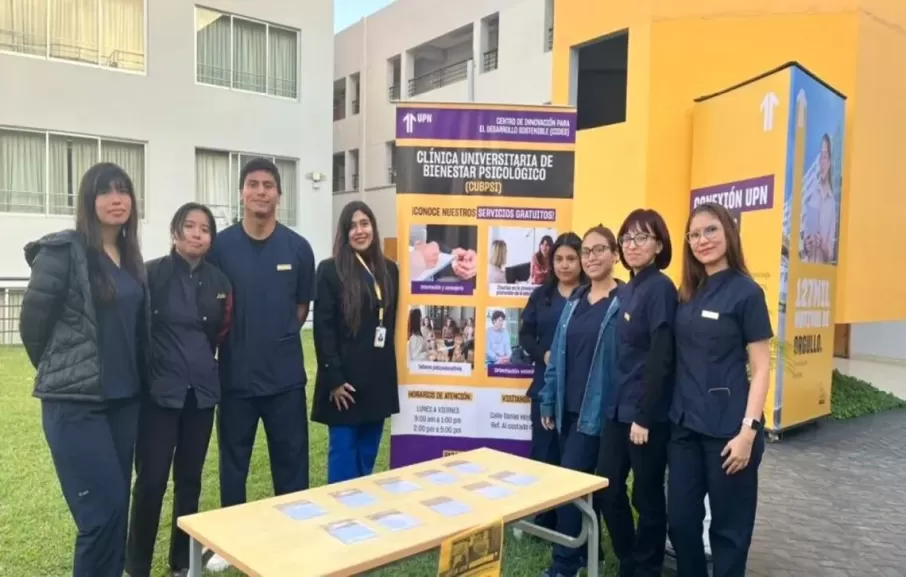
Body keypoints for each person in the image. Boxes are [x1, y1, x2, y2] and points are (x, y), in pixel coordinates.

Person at [19, 162, 150, 577]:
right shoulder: (63, 251)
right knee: (100, 517)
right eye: (106, 191)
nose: (117, 199)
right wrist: (68, 372)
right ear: (88, 201)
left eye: (123, 190)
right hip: (75, 405)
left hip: (124, 402)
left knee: (117, 513)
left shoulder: (131, 258)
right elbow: (32, 328)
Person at [204, 157, 315, 572]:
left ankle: (295, 537)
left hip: (285, 379)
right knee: (233, 465)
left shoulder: (298, 248)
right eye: (253, 184)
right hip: (235, 378)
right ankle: (230, 544)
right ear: (241, 193)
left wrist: (276, 336)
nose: (261, 191)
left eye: (268, 185)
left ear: (279, 194)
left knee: (292, 464)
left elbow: (301, 309)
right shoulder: (220, 247)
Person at [126, 203, 232, 577]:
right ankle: (137, 565)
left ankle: (182, 562)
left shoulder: (220, 283)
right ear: (175, 232)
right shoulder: (149, 274)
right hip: (160, 394)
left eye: (205, 229)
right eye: (190, 226)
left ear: (211, 239)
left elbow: (219, 333)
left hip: (201, 395)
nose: (197, 234)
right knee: (151, 480)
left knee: (189, 481)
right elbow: (138, 332)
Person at [667, 202, 772, 577]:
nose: (702, 240)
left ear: (729, 232)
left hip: (729, 432)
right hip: (684, 427)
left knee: (729, 533)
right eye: (694, 234)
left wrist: (748, 432)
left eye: (710, 230)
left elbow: (761, 367)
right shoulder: (688, 292)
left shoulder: (747, 293)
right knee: (680, 522)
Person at [539, 226, 623, 577]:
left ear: (615, 254)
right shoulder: (575, 301)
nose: (591, 257)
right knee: (585, 488)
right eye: (586, 251)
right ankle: (594, 555)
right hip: (567, 411)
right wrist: (548, 400)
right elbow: (557, 355)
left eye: (599, 250)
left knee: (571, 487)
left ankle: (564, 564)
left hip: (600, 413)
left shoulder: (624, 302)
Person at [599, 209, 677, 577]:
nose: (632, 245)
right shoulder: (627, 289)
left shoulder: (660, 288)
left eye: (641, 238)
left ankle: (647, 568)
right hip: (617, 409)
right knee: (607, 485)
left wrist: (644, 415)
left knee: (646, 496)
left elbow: (662, 355)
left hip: (646, 414)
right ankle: (629, 557)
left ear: (659, 245)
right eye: (626, 239)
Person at [312, 200, 399, 483]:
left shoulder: (390, 270)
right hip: (345, 386)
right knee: (343, 458)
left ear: (373, 227)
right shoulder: (329, 270)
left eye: (365, 223)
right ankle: (338, 509)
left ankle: (363, 506)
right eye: (352, 226)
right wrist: (334, 380)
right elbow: (323, 329)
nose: (360, 231)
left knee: (367, 458)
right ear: (344, 232)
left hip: (377, 380)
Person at [518, 232, 585, 531]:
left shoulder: (591, 295)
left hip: (579, 391)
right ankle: (544, 520)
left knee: (573, 460)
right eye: (559, 259)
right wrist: (542, 355)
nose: (564, 265)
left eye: (571, 258)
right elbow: (524, 335)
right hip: (544, 386)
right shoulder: (541, 296)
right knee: (544, 454)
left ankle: (571, 522)